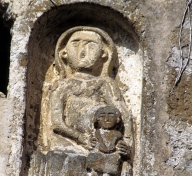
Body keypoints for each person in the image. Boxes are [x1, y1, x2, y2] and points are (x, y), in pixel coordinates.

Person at [50, 26, 133, 155]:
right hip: (72, 142)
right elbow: (57, 123)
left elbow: (125, 116)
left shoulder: (105, 83)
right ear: (64, 53)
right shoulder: (63, 85)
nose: (82, 51)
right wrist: (81, 138)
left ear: (104, 53)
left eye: (91, 45)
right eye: (75, 44)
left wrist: (127, 145)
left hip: (103, 143)